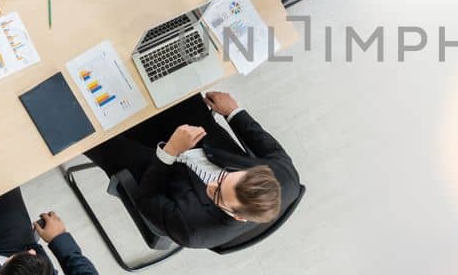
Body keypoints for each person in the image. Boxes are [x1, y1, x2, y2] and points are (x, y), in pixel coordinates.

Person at [85, 91, 298, 249]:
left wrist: (169, 153)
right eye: (226, 176)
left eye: (218, 194)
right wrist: (233, 112)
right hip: (203, 137)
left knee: (85, 130)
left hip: (152, 170)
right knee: (166, 81)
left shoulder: (192, 231)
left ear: (239, 217)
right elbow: (268, 146)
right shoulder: (285, 178)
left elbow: (146, 198)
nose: (213, 183)